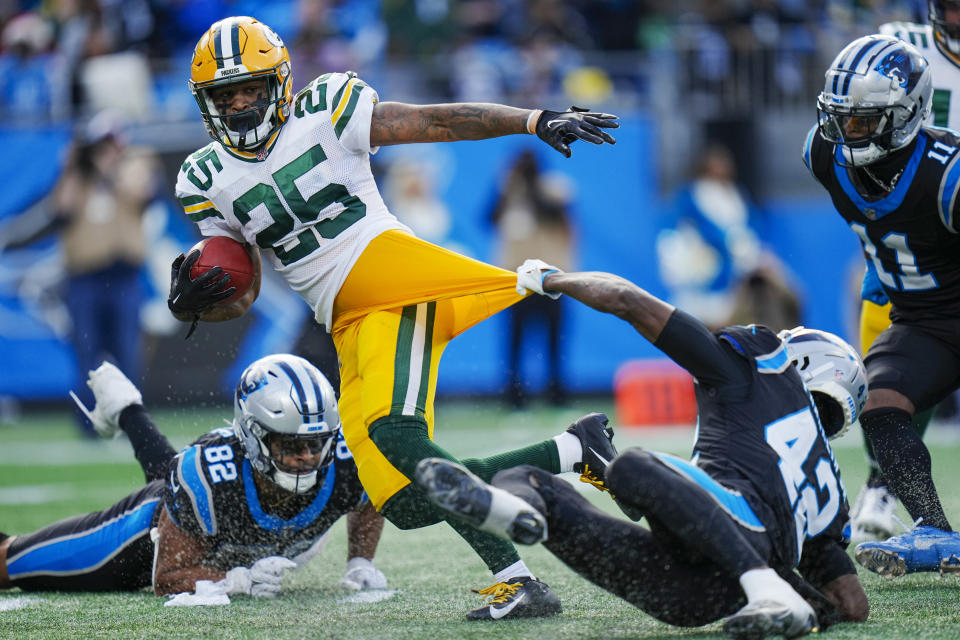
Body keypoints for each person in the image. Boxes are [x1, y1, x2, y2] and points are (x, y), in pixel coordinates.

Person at [165, 16, 618, 619]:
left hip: (392, 280)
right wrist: (194, 300)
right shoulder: (204, 177)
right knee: (400, 498)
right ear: (208, 102)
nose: (241, 103)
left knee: (396, 434)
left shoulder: (325, 108)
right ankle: (573, 451)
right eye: (227, 94)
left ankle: (519, 581)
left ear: (280, 82)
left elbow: (432, 121)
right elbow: (241, 293)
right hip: (348, 320)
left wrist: (531, 119)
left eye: (250, 88)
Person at [415, 266, 870, 639]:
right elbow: (853, 604)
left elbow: (627, 300)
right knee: (527, 479)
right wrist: (815, 606)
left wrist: (552, 280)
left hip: (703, 583)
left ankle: (767, 588)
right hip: (711, 586)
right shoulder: (822, 488)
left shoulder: (759, 367)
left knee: (629, 467)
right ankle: (510, 511)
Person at [0, 356, 388, 597]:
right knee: (9, 565)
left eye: (315, 442)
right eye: (289, 444)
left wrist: (360, 562)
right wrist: (236, 580)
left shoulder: (344, 462)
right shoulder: (208, 479)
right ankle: (127, 409)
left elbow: (370, 496)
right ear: (254, 437)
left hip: (233, 529)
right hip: (148, 537)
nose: (306, 456)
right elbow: (167, 577)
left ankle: (126, 409)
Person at [803, 33, 960, 576]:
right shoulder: (821, 153)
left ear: (910, 111)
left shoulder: (949, 174)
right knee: (880, 403)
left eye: (865, 120)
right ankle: (936, 530)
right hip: (922, 320)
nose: (848, 132)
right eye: (842, 118)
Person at [843, 0, 960, 543]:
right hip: (912, 222)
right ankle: (884, 483)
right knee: (886, 374)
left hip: (949, 201)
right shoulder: (899, 45)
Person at [490, 149, 575, 408]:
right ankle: (513, 393)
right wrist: (509, 188)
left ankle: (556, 391)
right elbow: (488, 217)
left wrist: (530, 186)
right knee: (515, 338)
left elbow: (552, 213)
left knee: (554, 339)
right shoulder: (508, 191)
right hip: (516, 275)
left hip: (550, 274)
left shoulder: (555, 188)